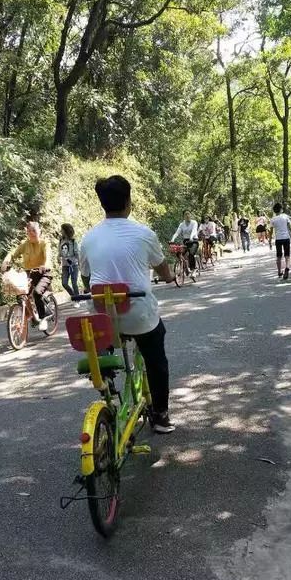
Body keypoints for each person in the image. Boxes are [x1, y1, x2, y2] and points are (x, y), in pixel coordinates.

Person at [80, 175, 176, 434]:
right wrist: (169, 277)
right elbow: (162, 268)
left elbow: (86, 276)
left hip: (102, 316)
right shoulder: (144, 233)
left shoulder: (88, 238)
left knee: (104, 337)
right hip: (138, 314)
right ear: (128, 202)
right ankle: (160, 415)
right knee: (156, 358)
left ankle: (106, 383)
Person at [1, 221, 51, 331]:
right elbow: (13, 253)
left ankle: (43, 318)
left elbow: (48, 256)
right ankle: (31, 315)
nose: (31, 233)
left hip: (44, 273)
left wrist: (45, 265)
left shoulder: (44, 243)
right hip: (29, 273)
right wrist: (6, 261)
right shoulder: (25, 244)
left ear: (39, 231)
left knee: (37, 293)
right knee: (21, 294)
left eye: (34, 231)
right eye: (29, 231)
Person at [268, 203, 291, 280]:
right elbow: (290, 228)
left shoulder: (273, 219)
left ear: (274, 211)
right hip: (286, 238)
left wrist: (270, 242)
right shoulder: (285, 217)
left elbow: (270, 232)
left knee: (278, 256)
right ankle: (287, 268)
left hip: (278, 239)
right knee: (287, 256)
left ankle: (279, 271)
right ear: (281, 209)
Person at [171, 211, 199, 280]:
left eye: (188, 214)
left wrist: (191, 237)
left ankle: (194, 269)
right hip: (186, 241)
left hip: (193, 240)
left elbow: (194, 231)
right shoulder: (182, 224)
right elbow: (177, 232)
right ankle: (185, 268)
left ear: (190, 215)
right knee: (179, 253)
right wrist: (172, 240)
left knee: (191, 254)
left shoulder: (194, 222)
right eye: (185, 214)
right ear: (183, 216)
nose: (187, 215)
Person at [58, 223, 80, 300]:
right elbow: (60, 252)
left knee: (74, 283)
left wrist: (80, 264)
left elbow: (77, 253)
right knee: (64, 283)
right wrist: (58, 257)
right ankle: (74, 296)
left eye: (62, 229)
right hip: (65, 266)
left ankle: (77, 300)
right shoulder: (61, 240)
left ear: (66, 230)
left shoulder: (73, 241)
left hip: (73, 265)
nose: (61, 231)